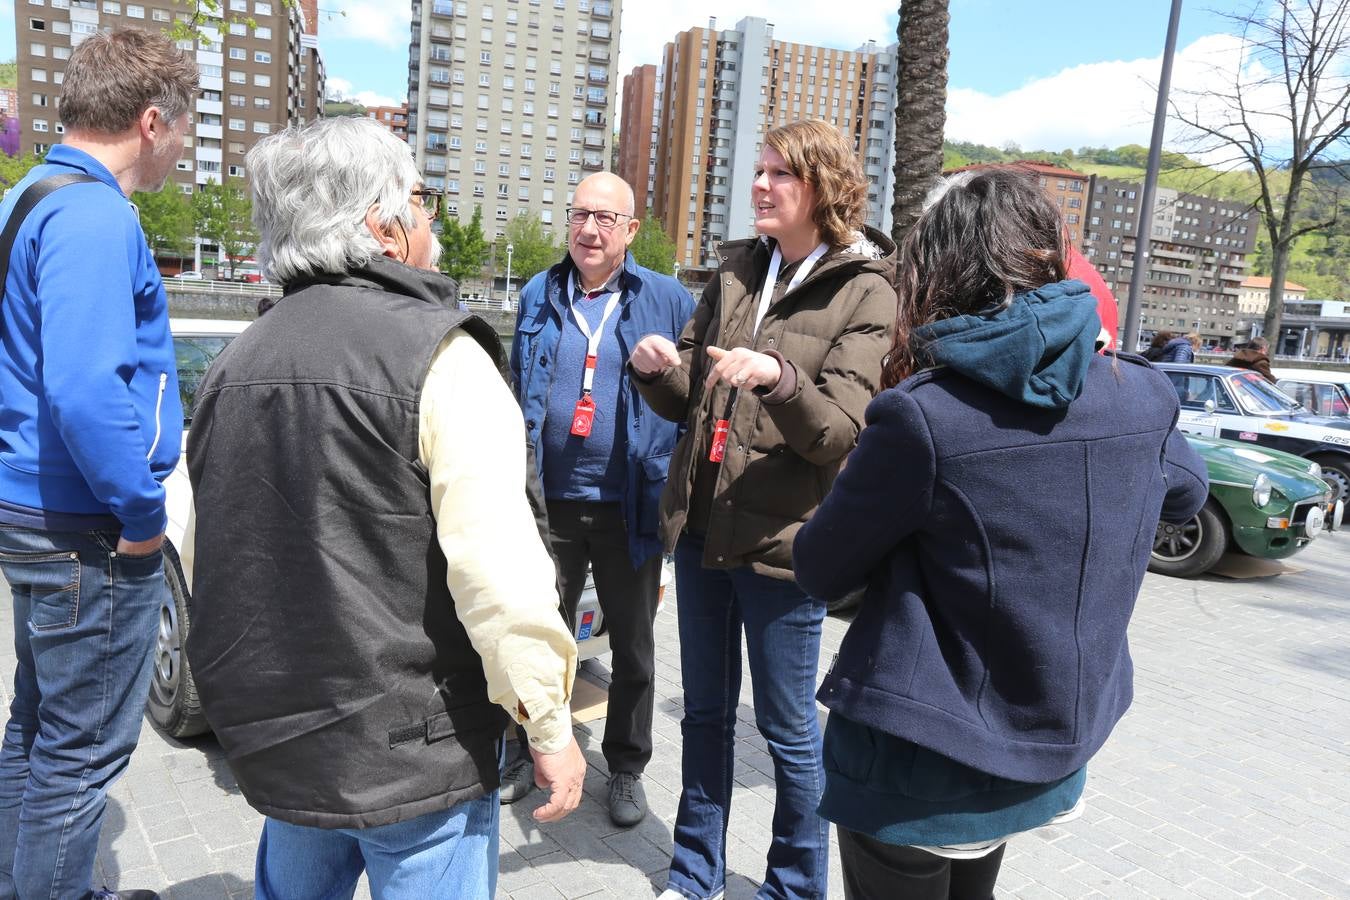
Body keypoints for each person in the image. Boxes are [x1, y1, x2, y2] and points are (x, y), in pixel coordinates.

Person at [184, 117, 586, 899]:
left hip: (291, 741)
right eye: (421, 198)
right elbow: (499, 575)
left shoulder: (236, 360)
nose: (429, 217)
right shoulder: (441, 355)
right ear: (383, 223)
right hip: (416, 749)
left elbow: (217, 562)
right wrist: (548, 724)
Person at [792, 168, 1209, 900]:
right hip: (1049, 755)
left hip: (920, 768)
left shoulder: (924, 416)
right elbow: (1186, 494)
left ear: (937, 269)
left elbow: (821, 568)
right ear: (1047, 256)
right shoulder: (1142, 391)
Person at [629, 119, 897, 900]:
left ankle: (794, 887)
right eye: (760, 169)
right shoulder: (738, 269)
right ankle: (694, 873)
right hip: (703, 528)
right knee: (705, 718)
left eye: (780, 172)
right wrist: (657, 370)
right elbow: (692, 391)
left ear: (822, 187)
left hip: (786, 545)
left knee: (787, 734)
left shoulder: (866, 287)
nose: (762, 184)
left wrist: (778, 375)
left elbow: (838, 432)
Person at [0, 30, 197, 900]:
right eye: (184, 130)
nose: (183, 149)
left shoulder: (29, 197)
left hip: (33, 511)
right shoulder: (92, 214)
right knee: (79, 761)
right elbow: (85, 391)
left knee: (37, 730)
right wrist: (145, 519)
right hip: (87, 530)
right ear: (151, 121)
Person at [508, 172, 694, 826]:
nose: (590, 230)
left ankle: (626, 769)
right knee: (534, 640)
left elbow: (692, 398)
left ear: (631, 230)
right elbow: (515, 389)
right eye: (581, 214)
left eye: (606, 219)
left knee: (635, 649)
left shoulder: (667, 298)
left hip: (628, 508)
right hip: (546, 506)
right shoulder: (539, 293)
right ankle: (525, 749)